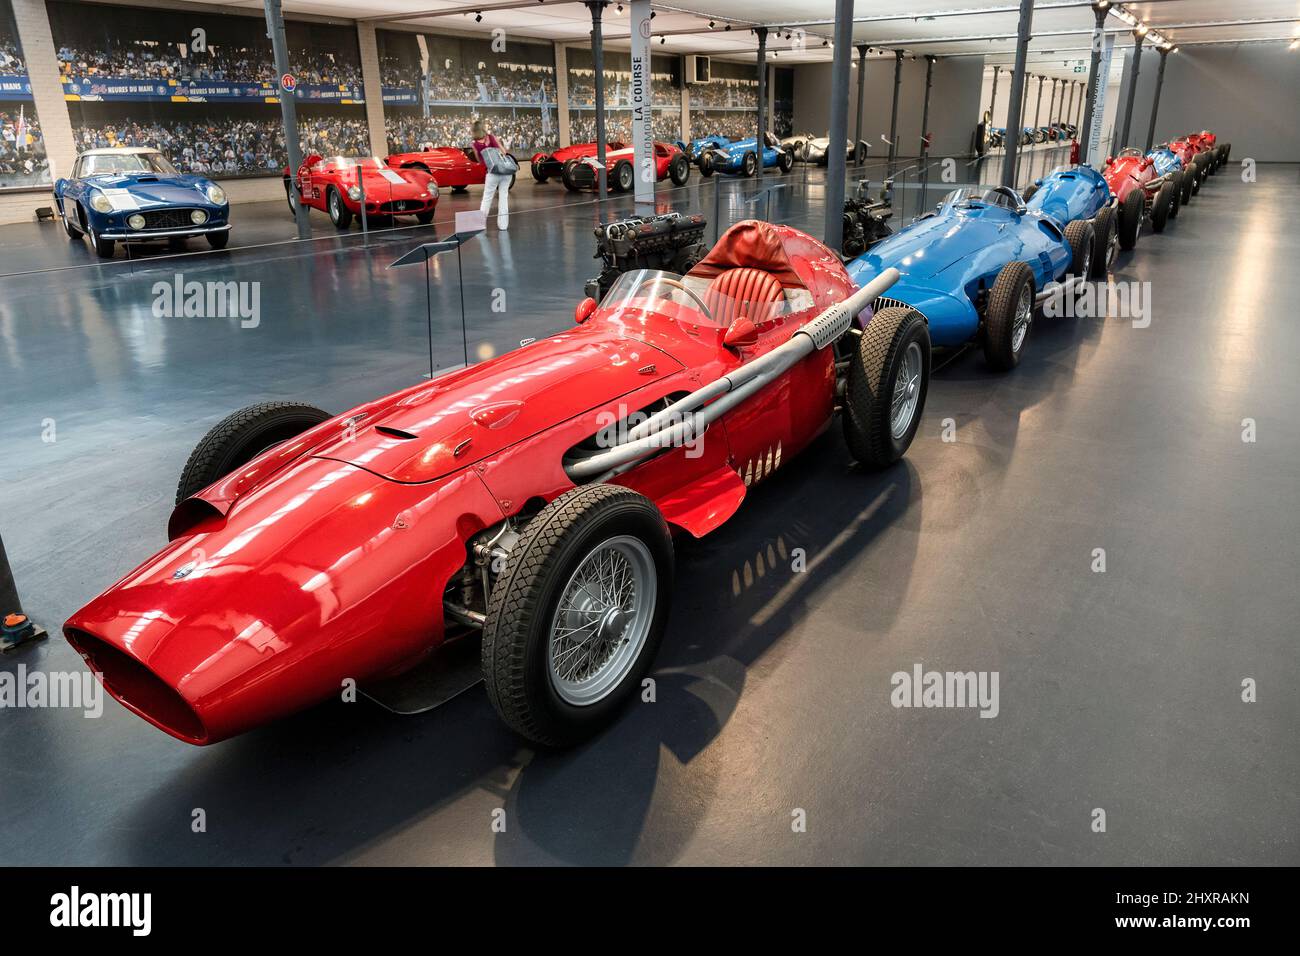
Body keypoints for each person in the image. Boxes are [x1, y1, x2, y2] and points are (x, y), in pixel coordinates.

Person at [471, 120, 509, 230]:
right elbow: (504, 152)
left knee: (487, 199)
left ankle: (480, 225)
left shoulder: (474, 144)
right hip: (505, 171)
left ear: (474, 131)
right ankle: (503, 226)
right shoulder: (491, 137)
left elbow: (479, 160)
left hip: (492, 172)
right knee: (503, 197)